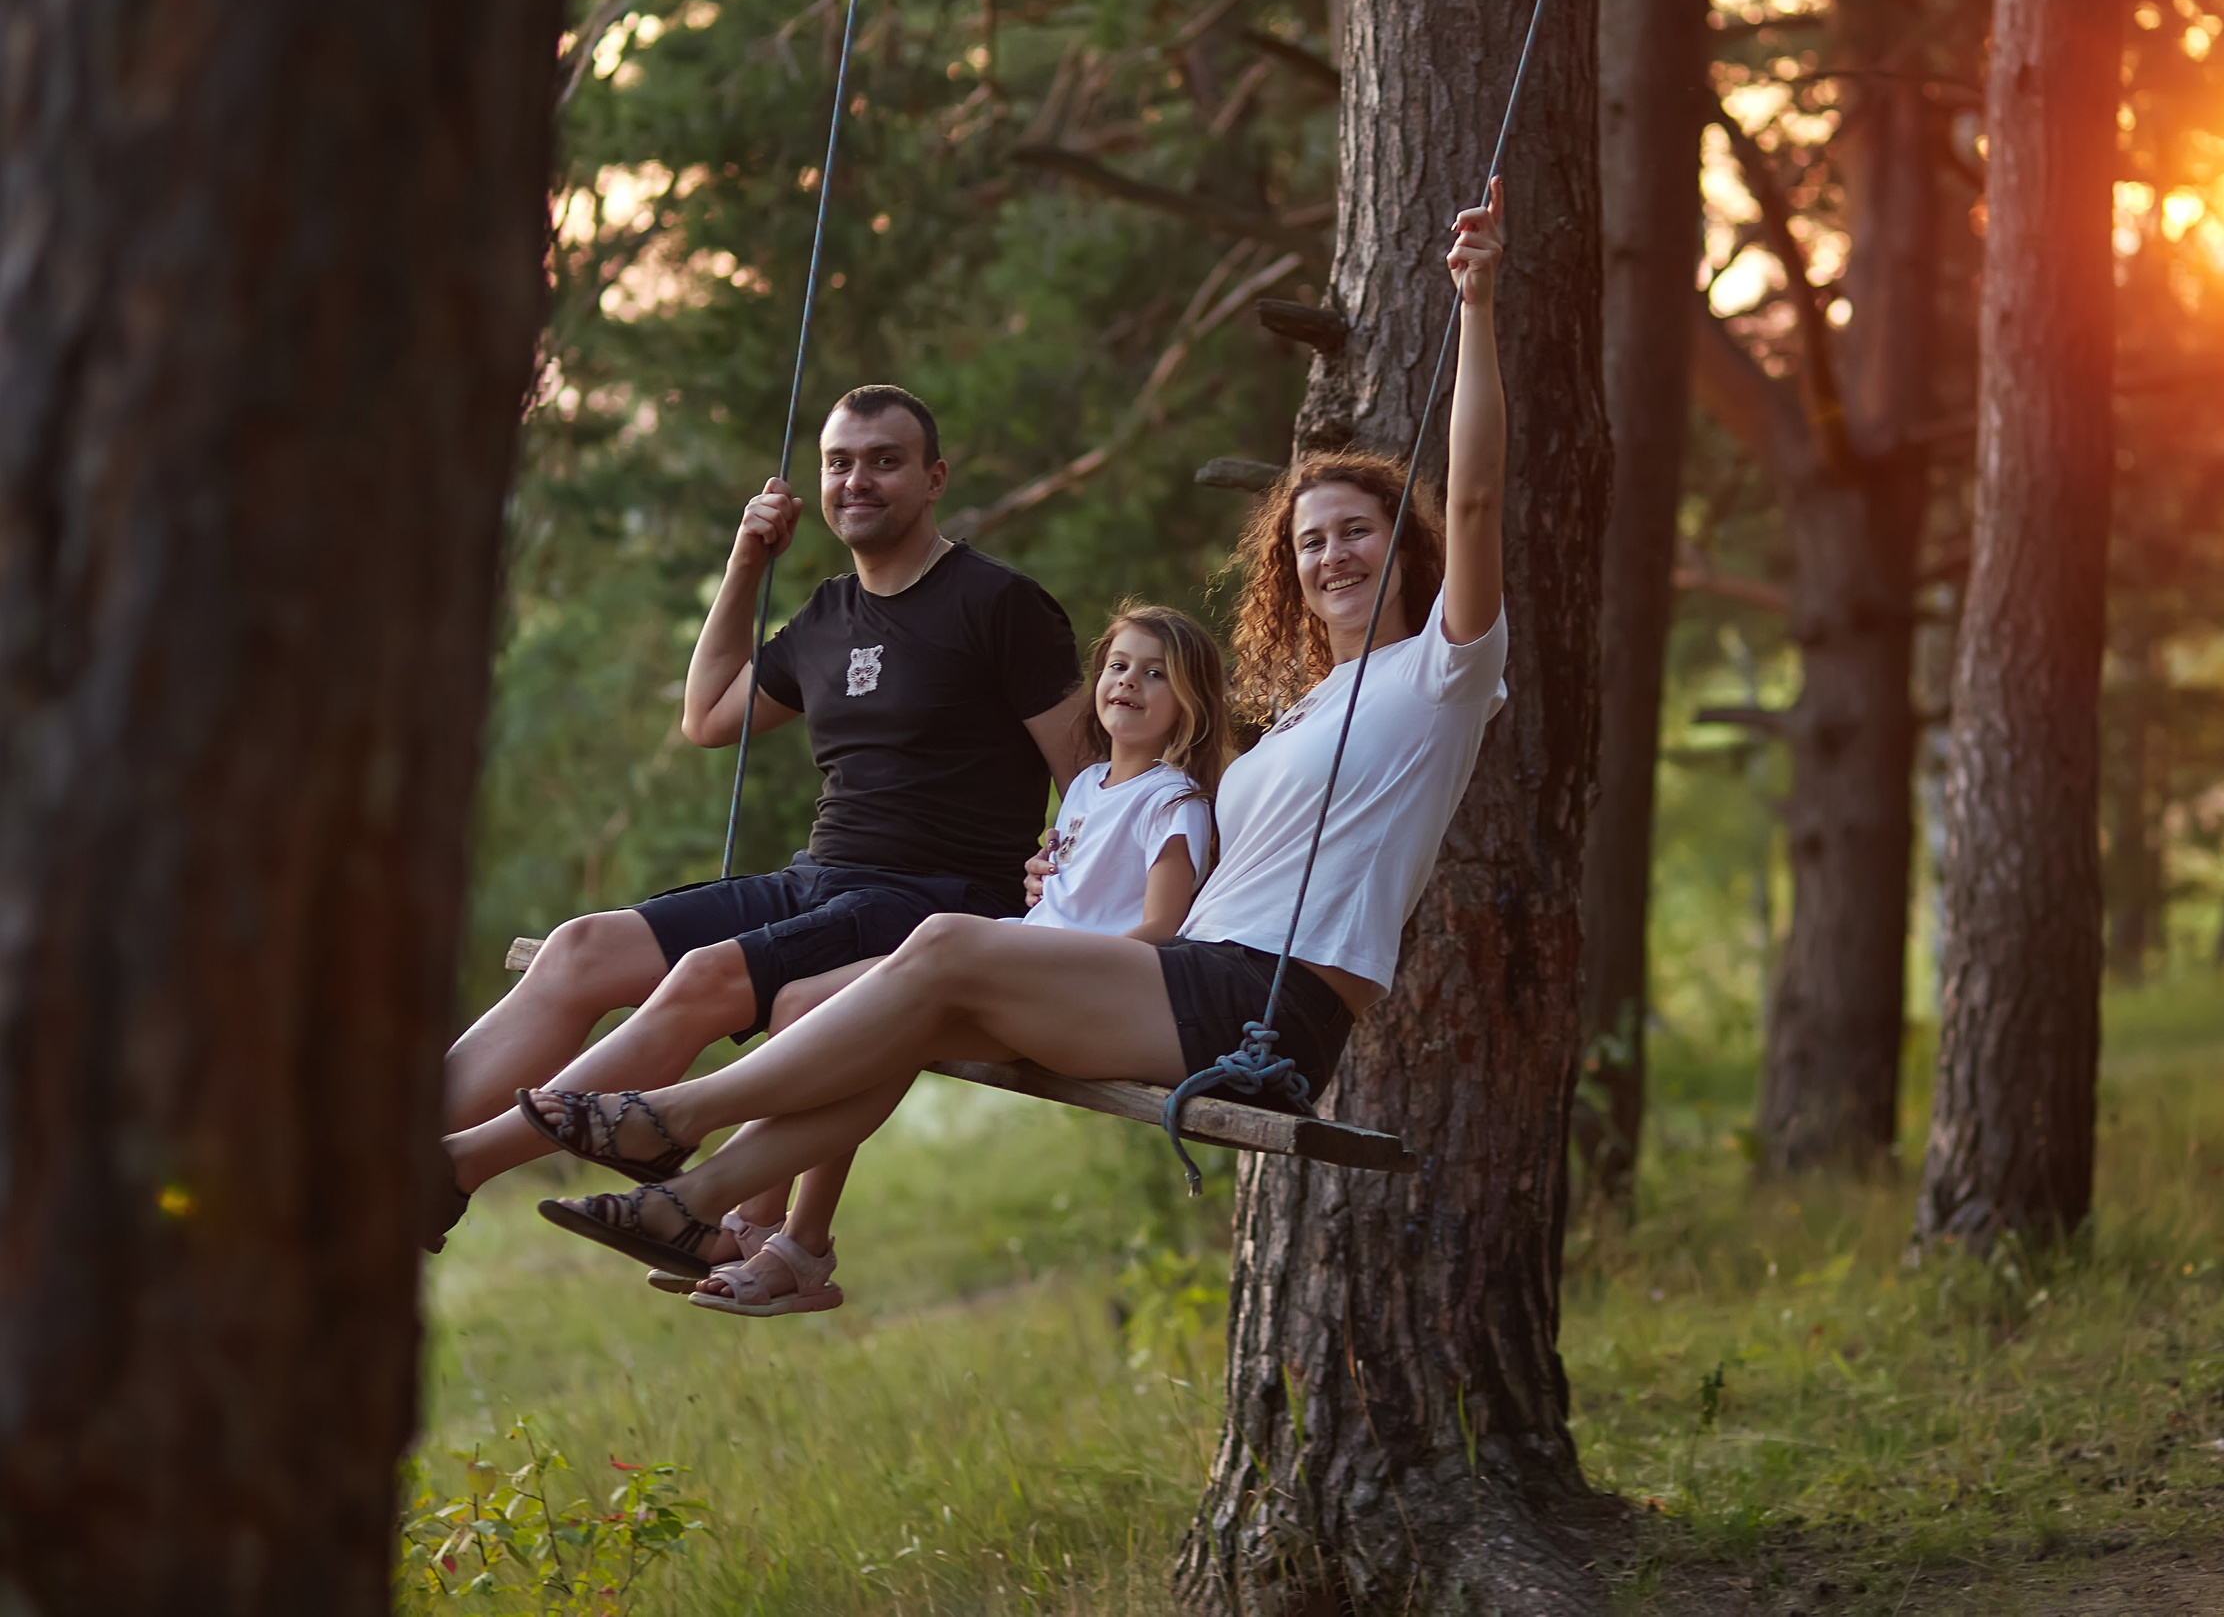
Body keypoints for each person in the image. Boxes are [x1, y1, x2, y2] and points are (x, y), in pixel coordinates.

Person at [524, 180, 1511, 1279]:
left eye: (1357, 534)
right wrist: (1076, 861)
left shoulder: (1442, 672)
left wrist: (1472, 305)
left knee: (941, 945)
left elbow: (1472, 499)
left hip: (1265, 1000)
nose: (1332, 556)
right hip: (1189, 965)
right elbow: (1185, 847)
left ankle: (672, 1115)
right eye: (1310, 541)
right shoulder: (1301, 713)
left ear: (1408, 548)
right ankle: (746, 1224)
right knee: (836, 998)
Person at [429, 384, 1086, 1248]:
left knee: (703, 977)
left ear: (934, 480)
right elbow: (709, 717)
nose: (859, 480)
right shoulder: (825, 615)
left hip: (936, 900)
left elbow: (1090, 773)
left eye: (885, 461)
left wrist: (1070, 890)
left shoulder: (998, 604)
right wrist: (744, 562)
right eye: (840, 463)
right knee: (579, 946)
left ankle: (453, 1168)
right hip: (821, 879)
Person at [678, 602, 1232, 1314]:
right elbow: (1070, 887)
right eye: (1118, 666)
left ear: (1189, 705)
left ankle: (799, 1241)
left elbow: (1162, 926)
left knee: (879, 1023)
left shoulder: (1174, 802)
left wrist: (1065, 956)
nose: (1129, 682)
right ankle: (757, 1219)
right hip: (1019, 954)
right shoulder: (1090, 786)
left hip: (1073, 991)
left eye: (1156, 675)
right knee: (800, 1000)